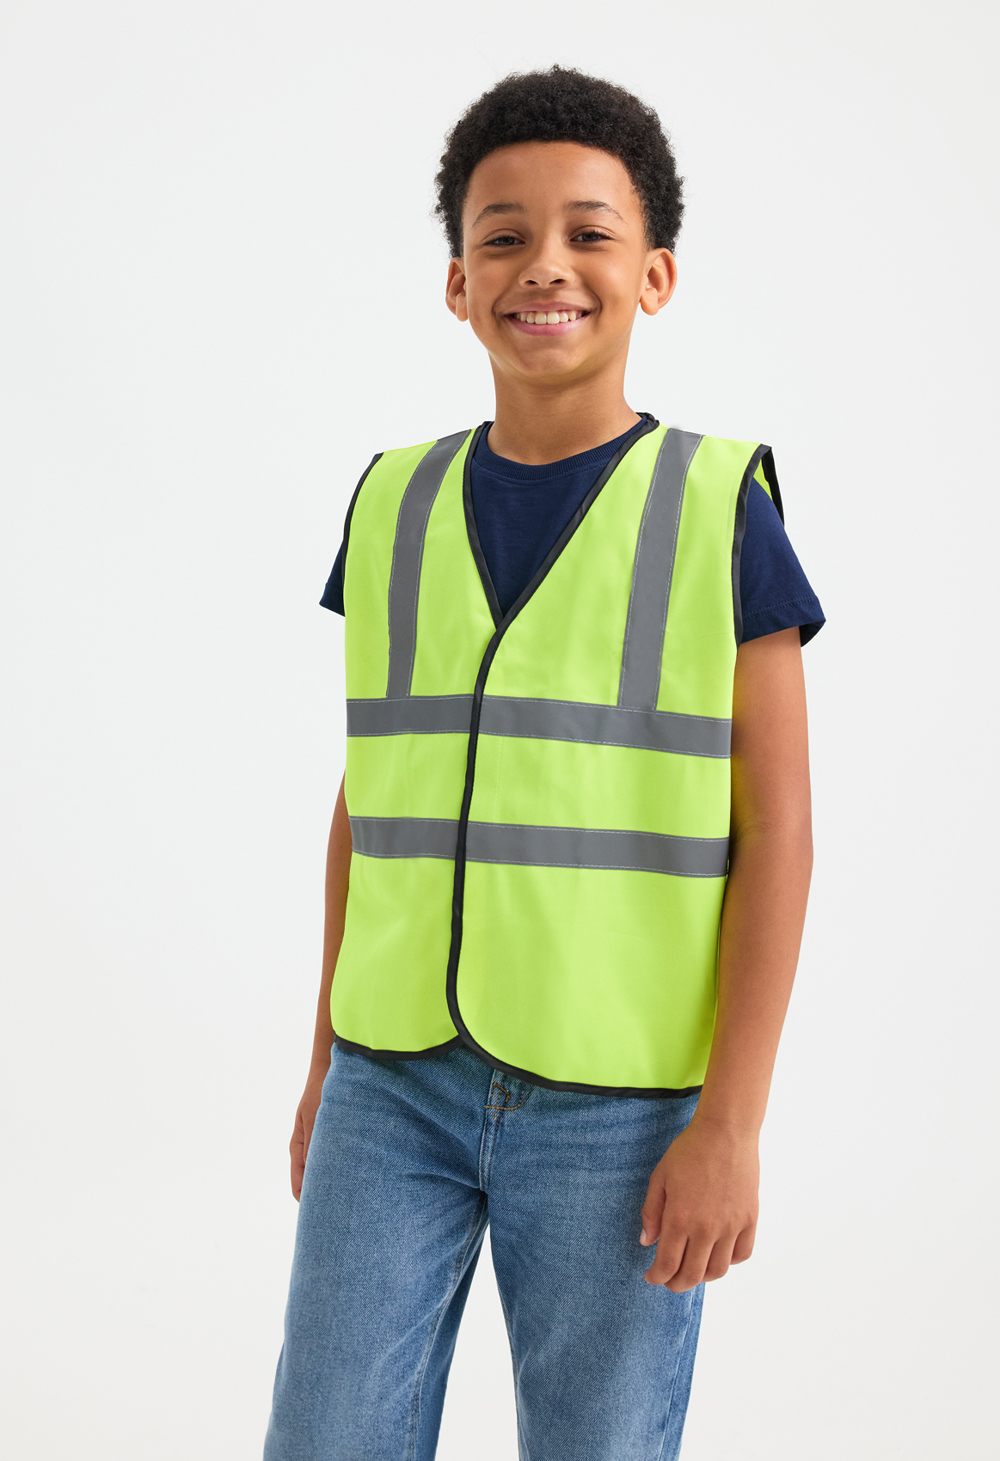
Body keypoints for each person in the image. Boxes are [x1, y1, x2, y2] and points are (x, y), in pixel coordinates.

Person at [263, 65, 823, 1461]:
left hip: (616, 1106)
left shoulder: (718, 506)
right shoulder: (390, 502)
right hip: (391, 1083)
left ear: (655, 275)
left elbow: (780, 831)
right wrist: (326, 1057)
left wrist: (733, 1123)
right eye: (503, 236)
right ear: (458, 284)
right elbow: (368, 803)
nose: (546, 266)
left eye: (589, 233)